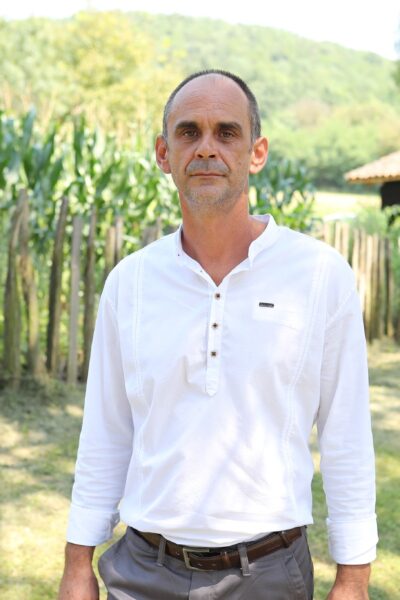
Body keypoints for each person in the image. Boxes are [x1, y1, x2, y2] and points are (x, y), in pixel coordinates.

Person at [58, 70, 378, 600]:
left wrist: (354, 578)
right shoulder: (130, 283)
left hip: (269, 575)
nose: (207, 147)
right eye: (189, 132)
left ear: (257, 153)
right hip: (141, 572)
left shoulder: (320, 275)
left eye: (227, 132)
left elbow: (346, 438)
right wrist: (76, 564)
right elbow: (105, 434)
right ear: (164, 153)